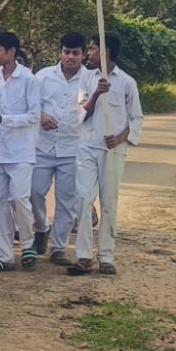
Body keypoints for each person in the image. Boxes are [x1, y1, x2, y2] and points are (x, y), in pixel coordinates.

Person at [69, 32, 143, 276]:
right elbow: (81, 114)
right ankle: (83, 256)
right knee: (83, 199)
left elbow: (136, 118)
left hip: (113, 151)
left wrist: (120, 138)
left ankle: (106, 256)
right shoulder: (86, 78)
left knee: (109, 202)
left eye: (92, 49)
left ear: (105, 52)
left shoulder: (127, 82)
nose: (88, 53)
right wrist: (97, 94)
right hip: (87, 147)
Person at [31, 33, 96, 265]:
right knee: (34, 192)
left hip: (73, 147)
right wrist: (41, 116)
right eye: (66, 52)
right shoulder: (43, 76)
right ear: (60, 52)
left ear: (83, 55)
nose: (70, 57)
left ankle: (59, 248)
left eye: (75, 53)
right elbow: (29, 103)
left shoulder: (90, 79)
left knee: (67, 200)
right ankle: (41, 227)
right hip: (43, 145)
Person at [0, 32, 42, 270]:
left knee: (19, 198)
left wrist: (3, 119)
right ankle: (5, 255)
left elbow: (33, 116)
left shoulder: (28, 79)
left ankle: (27, 243)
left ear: (12, 51)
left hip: (20, 150)